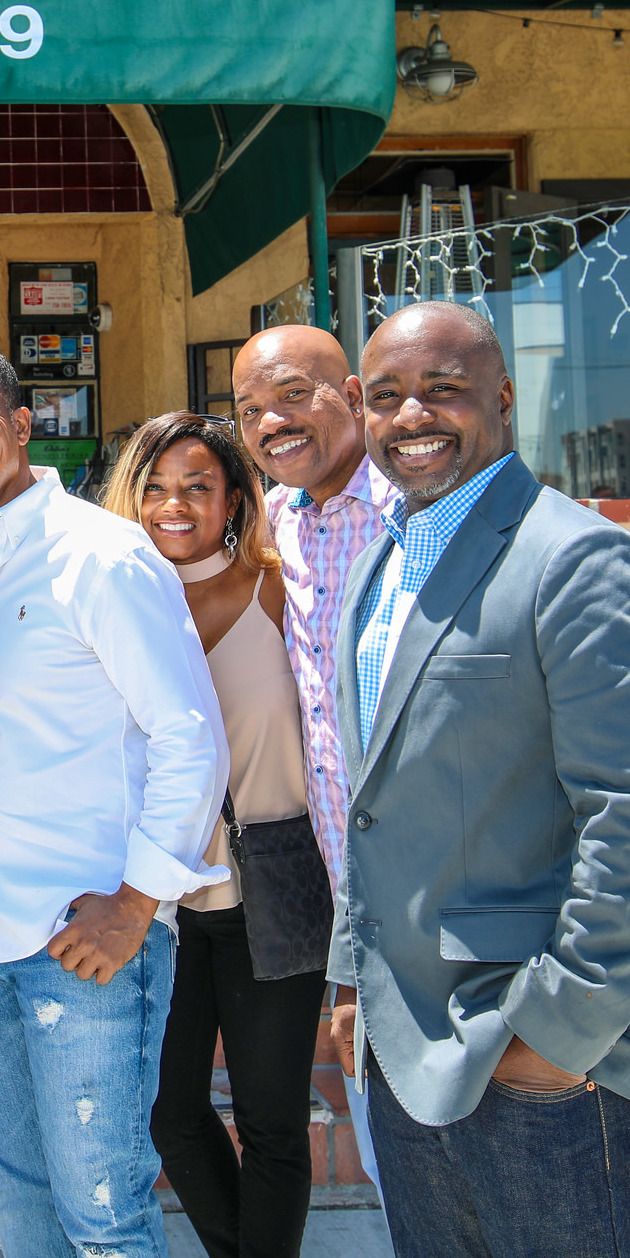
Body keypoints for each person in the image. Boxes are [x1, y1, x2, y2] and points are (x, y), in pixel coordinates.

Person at [330, 301, 630, 1258]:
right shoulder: (383, 562)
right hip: (406, 1048)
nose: (412, 414)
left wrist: (556, 1034)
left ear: (503, 397)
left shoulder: (580, 560)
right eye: (386, 397)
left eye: (443, 389)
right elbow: (373, 803)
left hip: (540, 1059)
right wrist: (349, 983)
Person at [0, 342, 227, 1258]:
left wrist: (138, 902)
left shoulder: (100, 553)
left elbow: (189, 735)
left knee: (104, 1214)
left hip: (79, 945)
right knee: (18, 1192)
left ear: (19, 426)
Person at [103, 413, 326, 1258]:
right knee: (168, 1112)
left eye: (198, 485)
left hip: (271, 887)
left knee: (272, 1121)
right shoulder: (117, 595)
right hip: (156, 901)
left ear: (234, 496)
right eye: (155, 486)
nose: (175, 505)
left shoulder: (279, 587)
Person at [231, 325, 395, 1201]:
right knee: (396, 1159)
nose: (271, 421)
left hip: (451, 902)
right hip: (349, 905)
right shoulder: (280, 525)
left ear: (357, 396)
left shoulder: (420, 511)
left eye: (293, 394)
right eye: (251, 408)